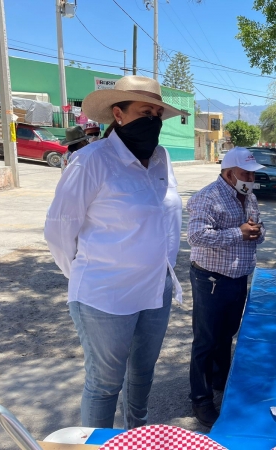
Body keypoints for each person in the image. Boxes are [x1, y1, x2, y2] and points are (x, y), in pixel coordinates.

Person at [44, 75, 188, 429]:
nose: (153, 119)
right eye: (144, 111)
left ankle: (136, 438)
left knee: (142, 378)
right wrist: (88, 274)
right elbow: (59, 230)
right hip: (105, 296)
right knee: (105, 385)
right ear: (118, 115)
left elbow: (167, 219)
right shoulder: (93, 161)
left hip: (155, 291)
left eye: (157, 112)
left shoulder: (161, 158)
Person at [186, 147, 266, 427]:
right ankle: (201, 399)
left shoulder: (249, 196)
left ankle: (221, 380)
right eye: (246, 173)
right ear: (229, 173)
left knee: (226, 333)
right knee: (206, 339)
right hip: (211, 279)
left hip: (237, 277)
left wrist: (257, 232)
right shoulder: (208, 198)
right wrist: (239, 233)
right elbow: (195, 236)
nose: (251, 178)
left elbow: (257, 228)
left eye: (253, 173)